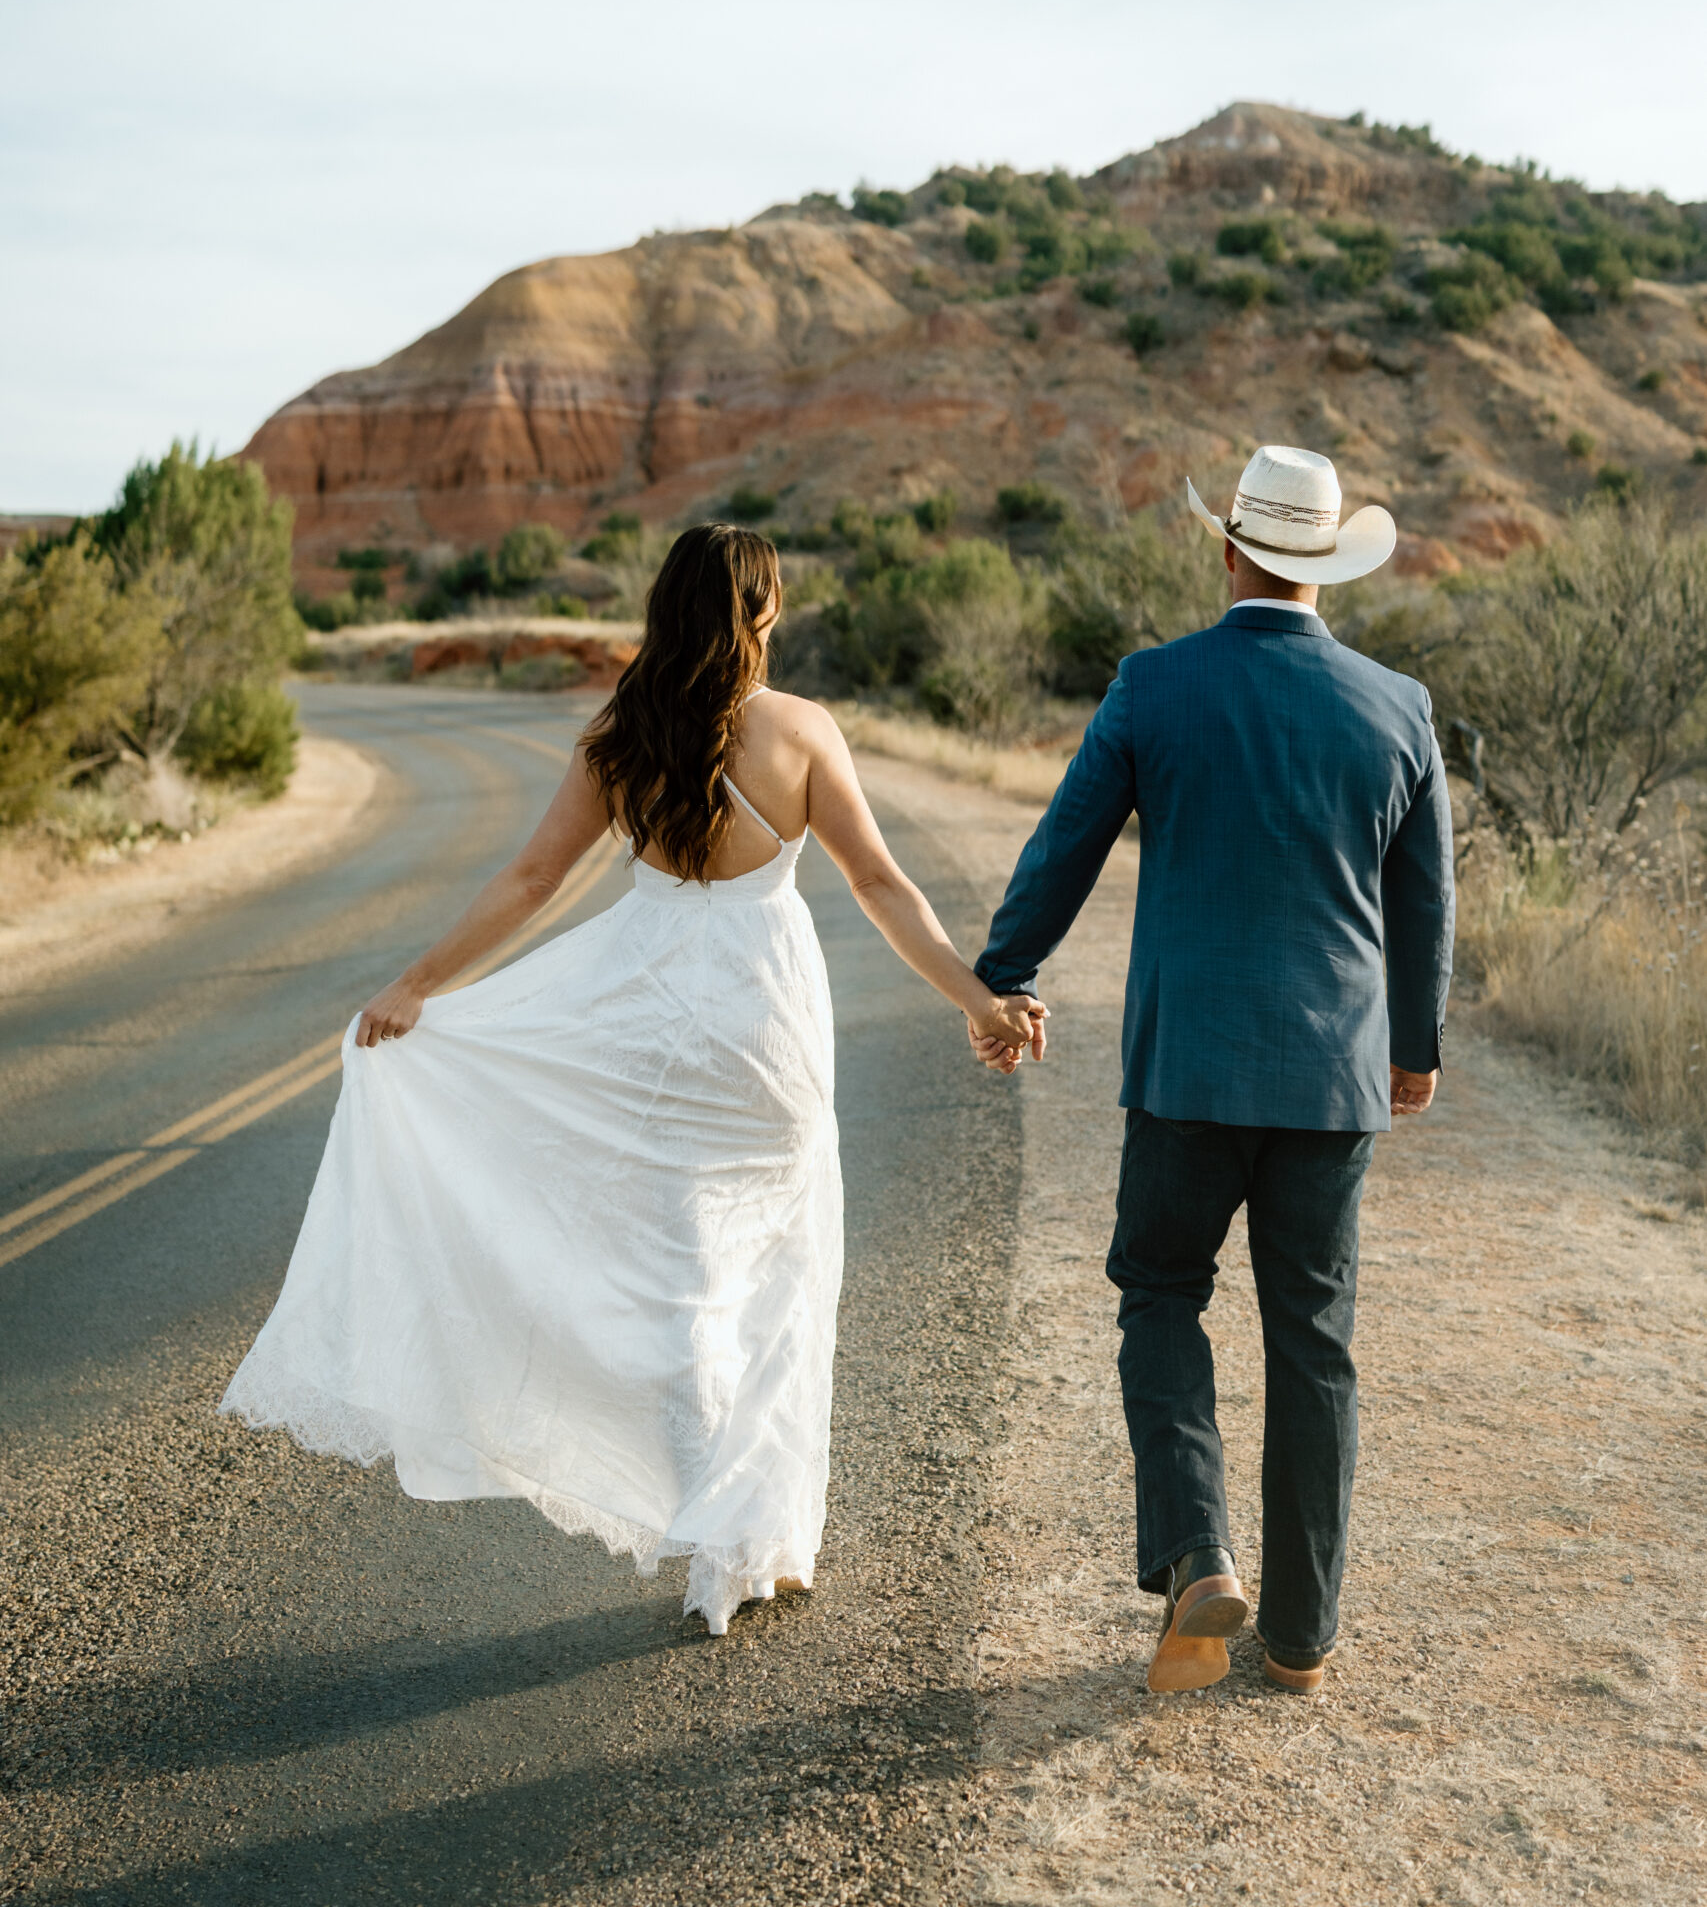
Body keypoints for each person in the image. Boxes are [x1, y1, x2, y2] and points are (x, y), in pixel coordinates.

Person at [222, 523, 1042, 1636]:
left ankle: (719, 1529)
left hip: (652, 1020)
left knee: (680, 1286)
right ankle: (763, 1535)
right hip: (766, 1028)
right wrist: (975, 996)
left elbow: (530, 880)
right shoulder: (801, 732)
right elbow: (882, 884)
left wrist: (416, 984)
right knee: (782, 1277)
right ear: (755, 613)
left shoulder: (623, 735)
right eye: (776, 603)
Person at [967, 446, 1454, 1695]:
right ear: (1322, 564)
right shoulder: (1397, 707)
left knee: (1161, 1293)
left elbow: (1065, 845)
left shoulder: (1155, 687)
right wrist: (1415, 1049)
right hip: (1332, 1085)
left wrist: (1003, 975)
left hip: (1185, 1073)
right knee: (1315, 1342)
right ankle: (1298, 1639)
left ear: (1229, 548)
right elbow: (1425, 904)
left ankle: (1197, 1554)